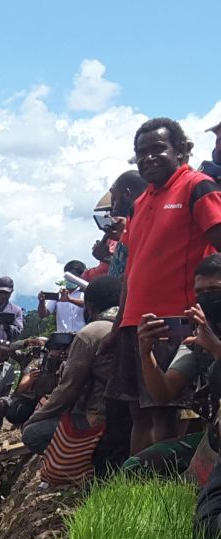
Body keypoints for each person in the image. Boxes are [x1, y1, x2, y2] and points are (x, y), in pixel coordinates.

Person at [109, 117, 221, 455]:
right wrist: (118, 325)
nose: (148, 158)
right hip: (135, 323)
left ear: (182, 150)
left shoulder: (197, 187)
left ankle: (164, 489)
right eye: (141, 153)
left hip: (173, 320)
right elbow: (132, 269)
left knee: (163, 410)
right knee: (136, 411)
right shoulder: (140, 203)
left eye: (158, 149)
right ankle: (135, 489)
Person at [127, 255, 221, 480]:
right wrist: (145, 353)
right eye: (200, 292)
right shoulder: (197, 341)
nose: (206, 297)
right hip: (215, 438)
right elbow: (163, 393)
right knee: (137, 466)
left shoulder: (207, 340)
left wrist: (216, 347)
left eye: (215, 289)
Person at [22, 277, 122, 455]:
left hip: (100, 417)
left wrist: (34, 418)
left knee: (32, 434)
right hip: (135, 417)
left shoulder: (91, 333)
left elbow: (68, 389)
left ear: (90, 306)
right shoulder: (131, 325)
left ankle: (85, 466)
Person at [37, 261, 87, 334]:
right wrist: (41, 302)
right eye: (67, 276)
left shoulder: (85, 293)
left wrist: (70, 300)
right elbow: (43, 314)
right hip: (62, 338)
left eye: (72, 276)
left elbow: (89, 304)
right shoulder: (59, 294)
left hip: (81, 338)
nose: (70, 279)